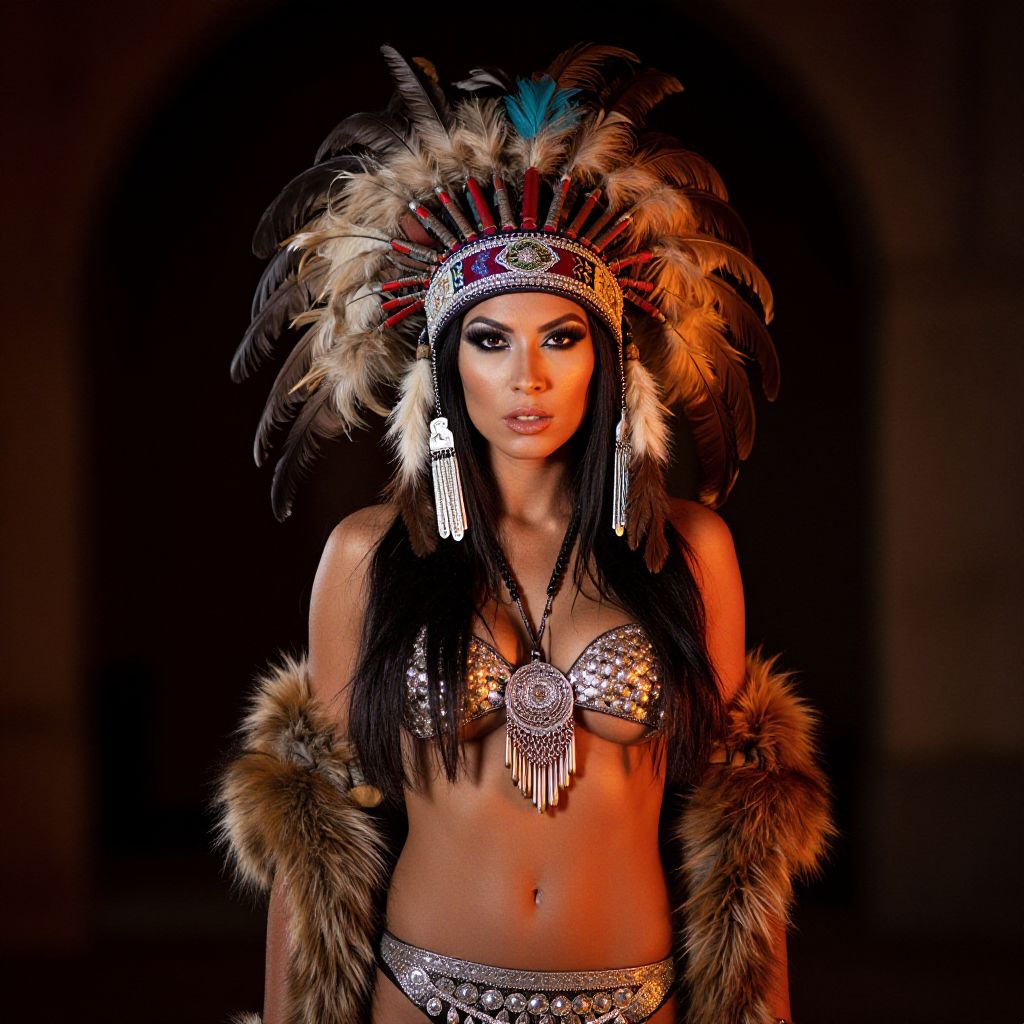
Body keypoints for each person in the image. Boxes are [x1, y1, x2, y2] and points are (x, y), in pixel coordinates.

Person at [214, 44, 833, 1024]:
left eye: (561, 336)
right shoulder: (367, 556)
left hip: (633, 1003)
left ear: (609, 359)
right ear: (447, 364)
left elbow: (740, 846)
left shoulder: (690, 549)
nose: (528, 378)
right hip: (419, 998)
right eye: (492, 341)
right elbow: (313, 842)